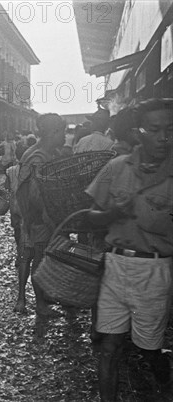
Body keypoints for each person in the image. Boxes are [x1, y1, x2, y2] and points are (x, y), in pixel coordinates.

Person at [86, 98, 173, 401]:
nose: (164, 137)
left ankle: (162, 370)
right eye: (155, 129)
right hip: (115, 267)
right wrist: (112, 214)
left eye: (170, 129)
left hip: (156, 270)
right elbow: (90, 218)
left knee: (148, 347)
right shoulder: (115, 168)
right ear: (139, 132)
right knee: (108, 348)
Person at [15, 113, 66, 315]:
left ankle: (42, 300)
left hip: (37, 217)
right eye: (62, 131)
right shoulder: (38, 157)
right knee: (39, 259)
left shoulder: (46, 153)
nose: (64, 136)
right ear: (52, 132)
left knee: (40, 257)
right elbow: (36, 195)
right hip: (38, 218)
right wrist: (50, 219)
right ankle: (41, 305)